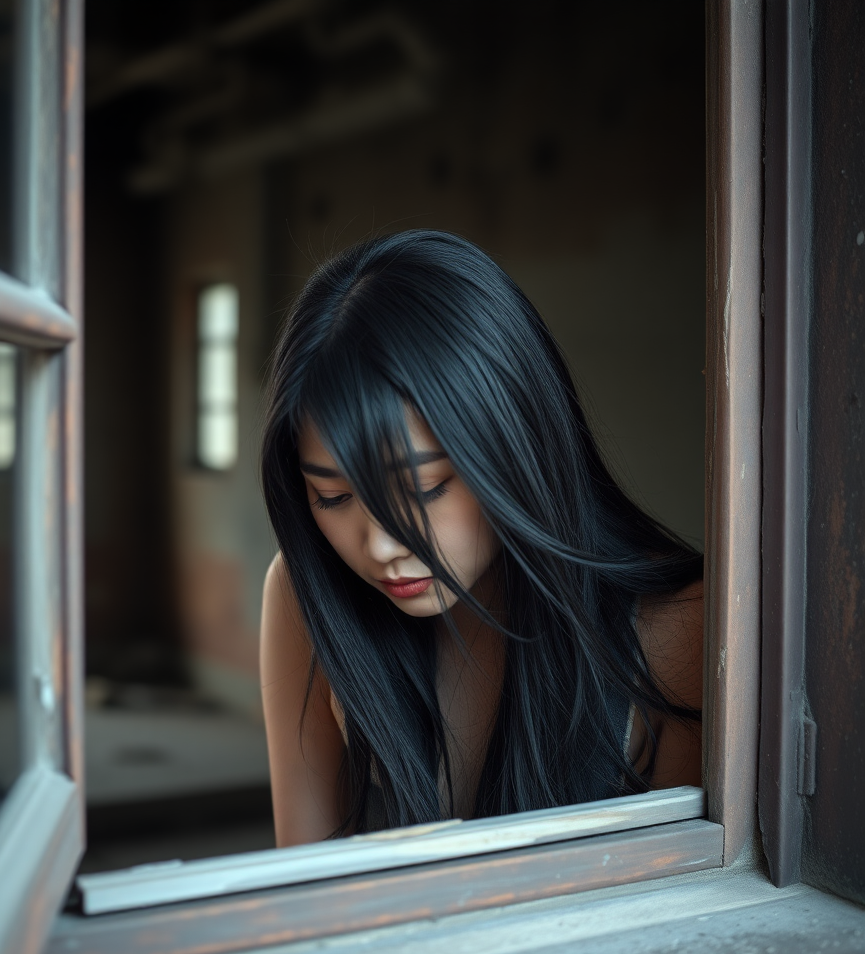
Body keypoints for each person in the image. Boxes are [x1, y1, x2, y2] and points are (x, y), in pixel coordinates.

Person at [259, 230, 703, 848]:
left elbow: (692, 912)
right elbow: (303, 884)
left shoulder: (680, 625)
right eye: (332, 497)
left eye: (425, 488)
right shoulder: (305, 591)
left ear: (515, 444)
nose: (382, 545)